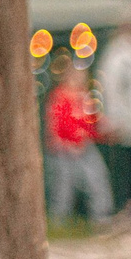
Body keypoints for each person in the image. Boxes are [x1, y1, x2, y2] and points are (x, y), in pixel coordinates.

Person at [48, 60, 114, 223]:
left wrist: (102, 128)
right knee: (63, 187)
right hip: (65, 150)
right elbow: (55, 123)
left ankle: (101, 218)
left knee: (97, 180)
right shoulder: (60, 96)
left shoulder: (85, 96)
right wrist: (63, 141)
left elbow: (92, 122)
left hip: (84, 147)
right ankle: (59, 220)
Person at [98, 20, 131, 211]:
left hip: (125, 122)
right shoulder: (117, 56)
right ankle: (122, 210)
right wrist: (112, 120)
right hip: (121, 124)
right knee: (122, 170)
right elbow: (110, 91)